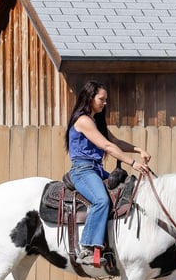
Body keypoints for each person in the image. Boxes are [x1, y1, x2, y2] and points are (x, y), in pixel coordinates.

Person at [65, 80, 151, 265]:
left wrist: (138, 149)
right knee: (101, 200)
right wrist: (133, 163)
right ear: (90, 98)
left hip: (96, 169)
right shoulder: (83, 120)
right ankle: (87, 248)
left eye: (106, 99)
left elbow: (115, 142)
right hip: (83, 170)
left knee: (129, 188)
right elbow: (106, 146)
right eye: (102, 99)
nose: (105, 103)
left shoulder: (95, 121)